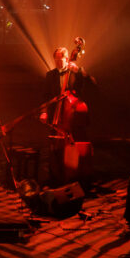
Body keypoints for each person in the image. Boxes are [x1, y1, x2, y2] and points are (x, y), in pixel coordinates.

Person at [40, 46, 93, 184]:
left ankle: (73, 177)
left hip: (72, 119)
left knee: (72, 149)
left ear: (67, 58)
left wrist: (79, 71)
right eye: (56, 59)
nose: (58, 62)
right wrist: (44, 112)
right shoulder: (50, 75)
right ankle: (54, 178)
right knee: (53, 149)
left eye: (61, 59)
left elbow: (91, 84)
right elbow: (45, 96)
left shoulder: (75, 73)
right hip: (56, 118)